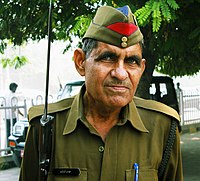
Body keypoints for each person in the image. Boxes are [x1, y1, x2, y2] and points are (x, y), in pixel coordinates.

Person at [19, 5, 183, 181]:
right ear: (81, 62)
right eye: (108, 58)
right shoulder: (46, 126)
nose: (120, 73)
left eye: (131, 61)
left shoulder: (163, 127)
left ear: (142, 68)